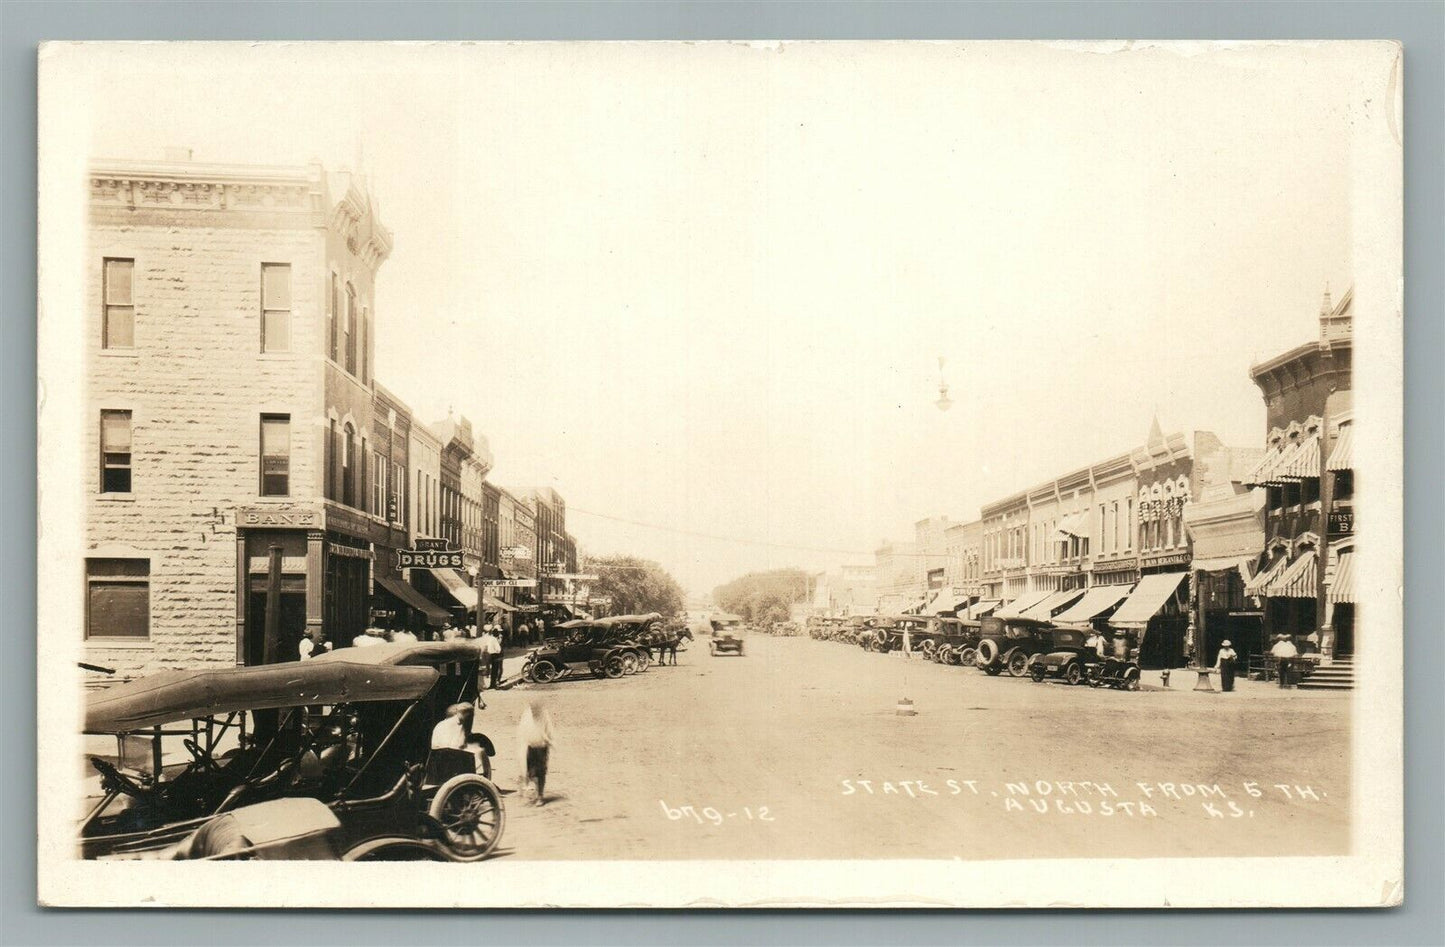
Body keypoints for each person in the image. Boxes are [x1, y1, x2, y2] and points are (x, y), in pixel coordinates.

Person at [517, 700, 555, 806]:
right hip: (531, 746)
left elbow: (549, 729)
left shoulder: (544, 715)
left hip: (542, 746)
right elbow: (522, 730)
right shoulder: (527, 714)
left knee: (541, 772)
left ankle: (540, 796)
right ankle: (533, 792)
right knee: (530, 771)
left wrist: (550, 741)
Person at [481, 625, 504, 690]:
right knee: (494, 670)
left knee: (497, 669)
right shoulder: (492, 638)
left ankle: (496, 683)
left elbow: (499, 647)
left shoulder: (498, 637)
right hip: (494, 655)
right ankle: (493, 684)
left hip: (497, 655)